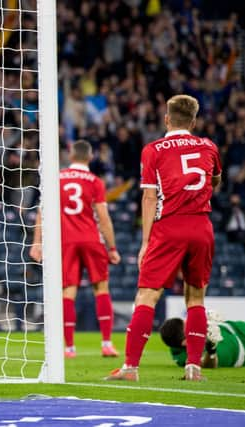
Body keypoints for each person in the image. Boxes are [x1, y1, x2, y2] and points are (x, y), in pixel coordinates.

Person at [106, 94, 222, 382]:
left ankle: (131, 368)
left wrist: (146, 242)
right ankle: (194, 367)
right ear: (194, 121)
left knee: (147, 295)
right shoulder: (208, 146)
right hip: (201, 226)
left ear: (167, 118)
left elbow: (149, 196)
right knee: (196, 298)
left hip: (169, 226)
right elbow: (215, 180)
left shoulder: (154, 149)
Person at [30, 140, 121, 358]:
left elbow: (42, 213)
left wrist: (37, 242)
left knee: (68, 292)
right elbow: (104, 217)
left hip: (66, 241)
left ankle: (69, 348)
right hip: (91, 239)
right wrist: (112, 247)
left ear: (70, 156)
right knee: (101, 288)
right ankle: (107, 344)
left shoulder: (56, 179)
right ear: (90, 158)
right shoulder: (95, 181)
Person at [160, 312, 245, 369]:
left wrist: (207, 319)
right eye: (189, 327)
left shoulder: (177, 339)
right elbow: (207, 364)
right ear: (185, 342)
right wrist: (211, 350)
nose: (192, 324)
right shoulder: (184, 357)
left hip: (237, 327)